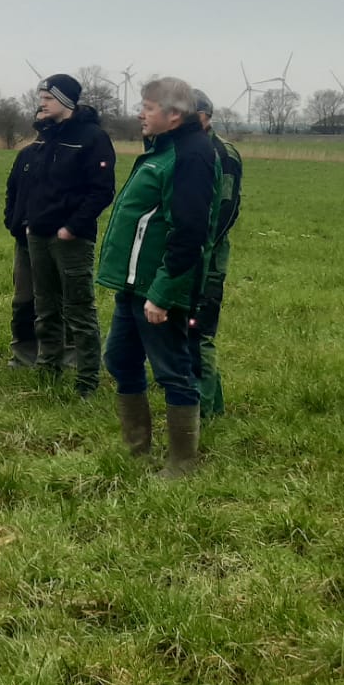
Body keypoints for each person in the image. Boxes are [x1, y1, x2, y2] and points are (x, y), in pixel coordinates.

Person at [97, 77, 221, 479]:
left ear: (174, 114)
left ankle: (182, 465)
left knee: (172, 371)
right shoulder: (163, 150)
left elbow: (189, 233)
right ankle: (137, 451)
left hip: (158, 288)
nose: (140, 113)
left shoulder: (190, 157)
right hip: (134, 285)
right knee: (119, 359)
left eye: (148, 107)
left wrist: (163, 294)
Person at [16, 74, 117, 397]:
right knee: (45, 306)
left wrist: (72, 227)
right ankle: (49, 368)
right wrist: (30, 222)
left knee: (79, 309)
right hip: (38, 235)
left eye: (47, 98)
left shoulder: (92, 138)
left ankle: (87, 379)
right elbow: (33, 185)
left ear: (66, 101)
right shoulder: (44, 137)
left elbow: (102, 191)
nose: (41, 104)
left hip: (72, 238)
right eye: (41, 98)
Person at [191, 90, 244, 419]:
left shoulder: (222, 153)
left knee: (201, 333)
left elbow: (225, 210)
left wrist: (200, 249)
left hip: (207, 258)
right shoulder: (183, 148)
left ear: (205, 116)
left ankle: (205, 410)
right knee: (189, 333)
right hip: (186, 254)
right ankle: (214, 405)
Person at [3, 115, 44, 369]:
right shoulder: (26, 155)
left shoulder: (67, 154)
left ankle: (58, 356)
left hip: (54, 239)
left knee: (56, 300)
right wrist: (12, 220)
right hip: (24, 239)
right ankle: (23, 355)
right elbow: (12, 189)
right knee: (23, 300)